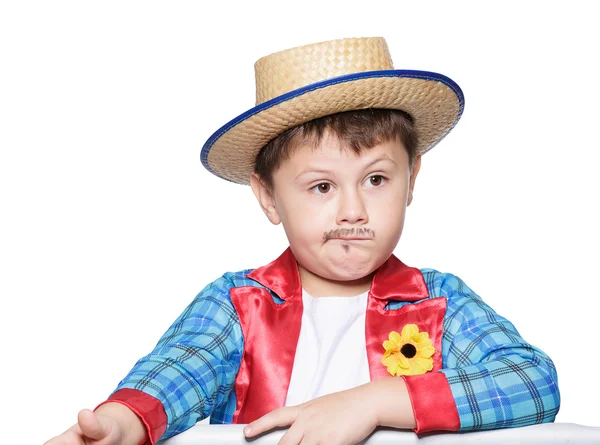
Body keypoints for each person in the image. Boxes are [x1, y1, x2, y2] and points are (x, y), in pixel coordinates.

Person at [44, 37, 560, 445]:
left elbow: (533, 384)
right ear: (269, 197)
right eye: (321, 187)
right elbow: (182, 366)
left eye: (376, 179)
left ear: (412, 178)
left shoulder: (439, 304)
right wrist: (123, 419)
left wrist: (373, 402)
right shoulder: (240, 304)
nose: (353, 210)